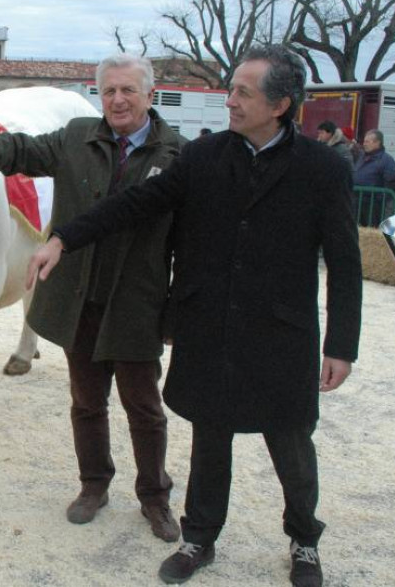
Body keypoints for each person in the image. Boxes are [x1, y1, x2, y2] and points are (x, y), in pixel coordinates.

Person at [26, 45, 362, 587]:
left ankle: (303, 540)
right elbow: (135, 204)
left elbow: (345, 262)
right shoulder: (203, 158)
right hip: (210, 329)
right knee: (210, 443)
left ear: (280, 104)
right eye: (231, 90)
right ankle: (198, 539)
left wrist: (341, 345)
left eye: (241, 93)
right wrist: (64, 237)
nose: (228, 101)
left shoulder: (322, 169)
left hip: (281, 334)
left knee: (292, 449)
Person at [0, 53, 182, 542]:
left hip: (137, 301)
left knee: (144, 407)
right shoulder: (77, 137)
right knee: (86, 402)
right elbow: (22, 150)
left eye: (128, 90)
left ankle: (155, 498)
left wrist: (179, 307)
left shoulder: (176, 153)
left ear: (149, 95)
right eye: (109, 90)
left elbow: (188, 238)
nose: (117, 99)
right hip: (81, 296)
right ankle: (93, 485)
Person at [354, 129, 395, 226]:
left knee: (370, 228)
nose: (364, 144)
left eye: (367, 142)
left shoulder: (387, 160)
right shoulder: (362, 157)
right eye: (364, 141)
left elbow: (389, 183)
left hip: (373, 204)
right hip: (357, 200)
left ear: (377, 143)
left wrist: (380, 199)